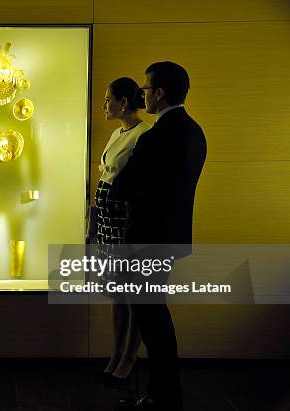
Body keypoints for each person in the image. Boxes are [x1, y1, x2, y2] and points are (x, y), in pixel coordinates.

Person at [114, 62, 207, 410]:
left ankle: (162, 396)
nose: (143, 94)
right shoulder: (195, 132)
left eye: (146, 88)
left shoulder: (155, 136)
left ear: (160, 93)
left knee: (153, 321)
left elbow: (124, 187)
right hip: (172, 235)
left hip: (146, 237)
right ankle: (164, 393)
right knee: (156, 318)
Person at [89, 77, 151, 383]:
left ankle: (129, 356)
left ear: (123, 102)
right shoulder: (117, 133)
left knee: (132, 293)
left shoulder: (144, 134)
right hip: (107, 222)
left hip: (125, 222)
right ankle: (116, 353)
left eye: (107, 99)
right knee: (116, 293)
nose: (104, 105)